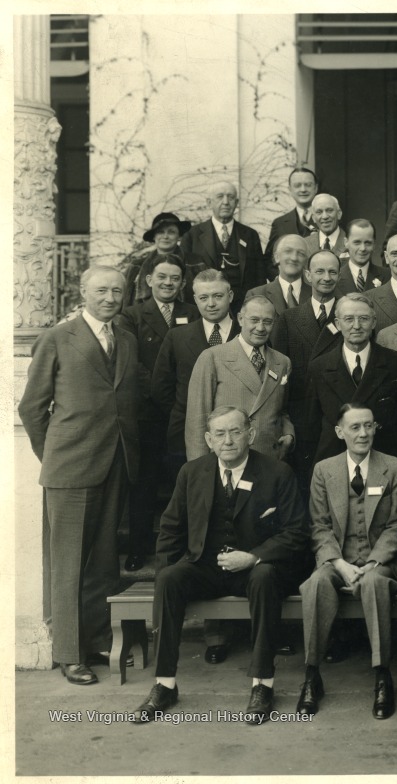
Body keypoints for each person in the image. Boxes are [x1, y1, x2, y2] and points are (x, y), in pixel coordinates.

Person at [130, 406, 310, 725]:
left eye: (236, 432)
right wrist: (165, 577)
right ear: (208, 439)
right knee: (169, 579)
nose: (228, 441)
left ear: (250, 435)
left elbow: (296, 532)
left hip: (255, 569)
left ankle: (262, 685)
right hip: (206, 567)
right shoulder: (191, 472)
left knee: (265, 576)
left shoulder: (277, 472)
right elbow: (170, 529)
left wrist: (254, 556)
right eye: (220, 434)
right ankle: (165, 685)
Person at [19, 266, 140, 685]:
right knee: (69, 563)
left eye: (117, 291)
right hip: (70, 466)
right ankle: (69, 654)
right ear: (84, 292)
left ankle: (98, 640)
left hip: (116, 462)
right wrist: (54, 454)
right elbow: (31, 408)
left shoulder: (126, 340)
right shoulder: (57, 338)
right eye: (101, 290)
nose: (110, 298)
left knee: (103, 560)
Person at [296, 404, 397, 718]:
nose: (363, 433)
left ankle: (383, 676)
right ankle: (311, 675)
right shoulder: (324, 470)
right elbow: (319, 526)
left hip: (380, 562)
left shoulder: (395, 467)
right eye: (355, 427)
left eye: (368, 426)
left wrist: (373, 562)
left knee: (374, 583)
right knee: (316, 584)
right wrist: (339, 564)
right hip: (338, 560)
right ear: (339, 432)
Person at [119, 256, 199, 571]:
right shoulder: (132, 315)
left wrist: (180, 400)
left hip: (185, 410)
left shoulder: (192, 311)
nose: (168, 283)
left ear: (183, 283)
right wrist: (163, 394)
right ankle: (138, 549)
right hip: (149, 413)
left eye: (175, 278)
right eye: (162, 277)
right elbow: (131, 362)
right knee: (144, 484)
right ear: (149, 279)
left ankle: (184, 549)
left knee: (184, 482)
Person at [152, 270, 238, 490]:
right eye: (203, 297)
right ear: (195, 300)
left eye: (217, 296)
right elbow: (161, 388)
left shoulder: (247, 334)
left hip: (237, 434)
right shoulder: (177, 337)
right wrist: (185, 413)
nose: (211, 303)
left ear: (230, 296)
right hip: (185, 435)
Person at [306, 293, 397, 466]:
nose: (356, 326)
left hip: (385, 460)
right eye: (349, 319)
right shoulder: (319, 367)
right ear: (337, 324)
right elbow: (311, 426)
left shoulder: (396, 364)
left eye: (363, 318)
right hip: (335, 461)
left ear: (374, 322)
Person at [185, 294, 294, 462]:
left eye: (267, 322)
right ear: (241, 319)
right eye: (254, 320)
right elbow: (197, 419)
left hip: (269, 459)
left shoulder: (282, 362)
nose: (260, 328)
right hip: (226, 458)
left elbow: (282, 410)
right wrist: (199, 467)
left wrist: (288, 433)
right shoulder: (213, 357)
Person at [268, 249, 342, 494]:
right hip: (301, 417)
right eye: (320, 271)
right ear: (308, 276)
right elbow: (279, 372)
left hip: (336, 415)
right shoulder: (289, 318)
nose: (326, 277)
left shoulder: (349, 317)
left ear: (339, 276)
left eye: (332, 272)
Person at [179, 181, 267, 312]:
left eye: (230, 197)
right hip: (207, 308)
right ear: (209, 202)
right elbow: (185, 278)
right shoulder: (192, 235)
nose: (226, 202)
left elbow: (259, 277)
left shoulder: (250, 235)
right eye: (220, 196)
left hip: (242, 308)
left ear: (236, 203)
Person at [123, 212, 192, 306]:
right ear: (154, 236)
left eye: (171, 232)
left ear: (179, 236)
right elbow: (124, 300)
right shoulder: (136, 266)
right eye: (160, 232)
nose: (165, 236)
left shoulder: (195, 263)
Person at [263, 166, 319, 268]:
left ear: (315, 188)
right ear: (290, 190)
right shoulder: (279, 224)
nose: (303, 189)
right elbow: (269, 261)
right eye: (297, 185)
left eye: (308, 185)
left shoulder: (326, 220)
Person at [245, 234, 311, 317]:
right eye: (288, 251)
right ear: (276, 257)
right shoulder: (256, 294)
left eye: (301, 254)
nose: (294, 258)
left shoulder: (317, 295)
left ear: (306, 261)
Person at [334, 220, 391, 297]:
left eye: (368, 243)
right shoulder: (335, 277)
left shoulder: (387, 276)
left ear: (374, 244)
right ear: (346, 242)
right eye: (357, 242)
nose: (363, 248)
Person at [303, 193, 348, 260]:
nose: (325, 216)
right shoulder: (304, 245)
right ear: (313, 218)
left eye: (329, 210)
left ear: (339, 214)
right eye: (319, 212)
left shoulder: (350, 242)